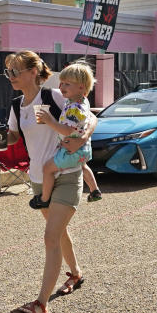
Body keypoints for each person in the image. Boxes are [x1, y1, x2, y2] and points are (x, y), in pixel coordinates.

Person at [5, 51, 96, 313]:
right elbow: (13, 136)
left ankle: (41, 304)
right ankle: (76, 273)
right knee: (58, 232)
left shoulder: (54, 96)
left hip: (66, 174)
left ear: (34, 72)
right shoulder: (16, 105)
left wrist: (83, 136)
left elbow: (89, 117)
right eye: (8, 72)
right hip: (38, 178)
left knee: (50, 237)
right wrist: (0, 139)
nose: (11, 76)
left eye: (16, 71)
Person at [29, 62, 97, 210]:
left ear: (81, 87)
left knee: (47, 168)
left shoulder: (75, 108)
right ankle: (94, 190)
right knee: (81, 166)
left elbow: (67, 130)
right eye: (61, 83)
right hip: (81, 150)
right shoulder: (80, 101)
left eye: (67, 84)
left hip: (71, 150)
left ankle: (44, 199)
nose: (62, 87)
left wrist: (49, 120)